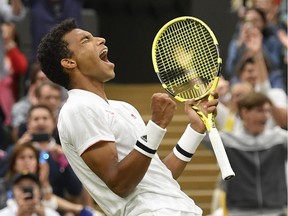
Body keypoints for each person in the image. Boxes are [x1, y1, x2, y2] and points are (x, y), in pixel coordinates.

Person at [37, 18, 219, 216]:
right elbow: (120, 183)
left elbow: (156, 177)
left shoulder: (124, 108)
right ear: (69, 62)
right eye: (85, 40)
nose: (101, 39)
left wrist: (194, 130)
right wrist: (156, 126)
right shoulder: (78, 108)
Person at [207, 91, 287, 216]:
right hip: (239, 212)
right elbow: (199, 133)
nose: (265, 116)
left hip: (277, 212)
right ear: (245, 112)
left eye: (267, 111)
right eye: (260, 111)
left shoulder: (281, 139)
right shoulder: (227, 141)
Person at [0, 142, 103, 215]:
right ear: (13, 163)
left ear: (37, 162)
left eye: (31, 157)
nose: (27, 161)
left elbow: (74, 190)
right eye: (22, 158)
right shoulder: (4, 185)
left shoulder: (42, 180)